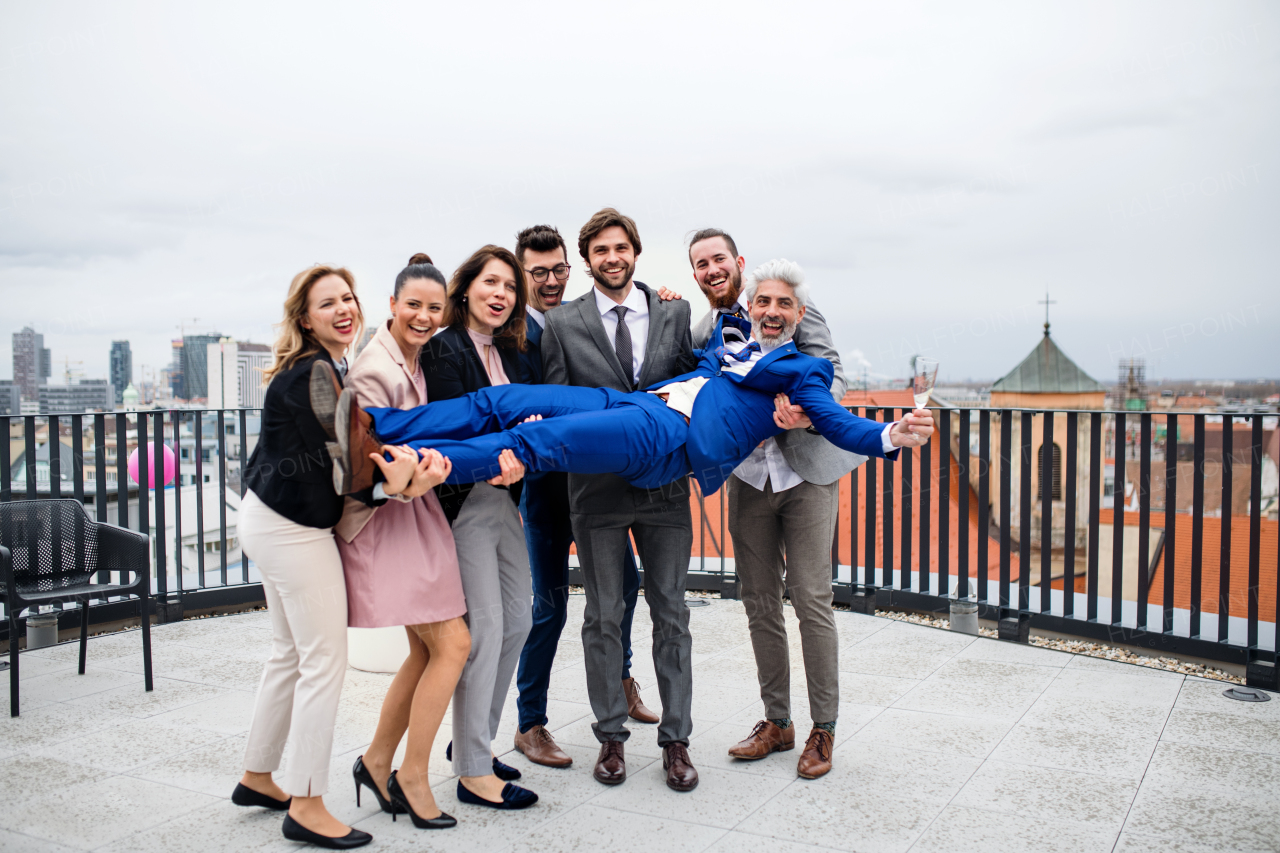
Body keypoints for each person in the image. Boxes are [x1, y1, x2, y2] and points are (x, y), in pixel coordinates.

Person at [319, 257, 935, 786]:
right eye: (763, 301)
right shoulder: (730, 337)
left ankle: (387, 468)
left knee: (536, 443)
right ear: (752, 304)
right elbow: (695, 347)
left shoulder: (806, 372)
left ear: (801, 314)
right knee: (506, 400)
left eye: (784, 305)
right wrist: (675, 302)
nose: (771, 311)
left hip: (664, 434)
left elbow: (838, 423)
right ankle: (377, 430)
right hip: (643, 401)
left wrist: (890, 435)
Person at [234, 264, 411, 850]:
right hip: (291, 529)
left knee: (289, 654)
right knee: (323, 662)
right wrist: (402, 483)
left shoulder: (317, 367)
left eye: (348, 298)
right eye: (327, 303)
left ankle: (260, 776)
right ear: (304, 318)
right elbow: (348, 466)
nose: (344, 309)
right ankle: (307, 804)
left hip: (266, 517)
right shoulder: (314, 373)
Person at [688, 229, 860, 780]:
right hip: (747, 478)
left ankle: (824, 730)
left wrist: (810, 414)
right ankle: (778, 722)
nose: (712, 270)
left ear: (737, 264)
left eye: (719, 260)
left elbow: (834, 370)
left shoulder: (791, 301)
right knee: (759, 602)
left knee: (813, 601)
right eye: (701, 264)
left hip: (805, 475)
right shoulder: (709, 324)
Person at [511, 225, 656, 771]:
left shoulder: (578, 317)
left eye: (558, 270)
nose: (550, 281)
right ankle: (530, 724)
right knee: (549, 608)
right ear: (523, 273)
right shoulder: (513, 333)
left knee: (623, 586)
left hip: (596, 488)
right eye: (538, 272)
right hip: (547, 492)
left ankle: (621, 685)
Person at [333, 254, 470, 830]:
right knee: (454, 645)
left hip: (415, 514)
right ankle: (412, 775)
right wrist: (429, 473)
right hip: (390, 519)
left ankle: (376, 759)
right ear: (391, 306)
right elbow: (374, 470)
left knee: (425, 649)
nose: (423, 316)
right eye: (412, 305)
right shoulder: (375, 369)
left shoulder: (411, 358)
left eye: (434, 308)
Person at [419, 244, 539, 811]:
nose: (501, 294)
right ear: (466, 288)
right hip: (463, 502)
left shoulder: (517, 353)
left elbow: (530, 422)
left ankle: (475, 744)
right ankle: (471, 770)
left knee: (518, 620)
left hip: (505, 501)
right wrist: (504, 449)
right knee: (485, 628)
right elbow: (451, 427)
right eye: (492, 283)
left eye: (510, 287)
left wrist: (527, 440)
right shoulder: (443, 350)